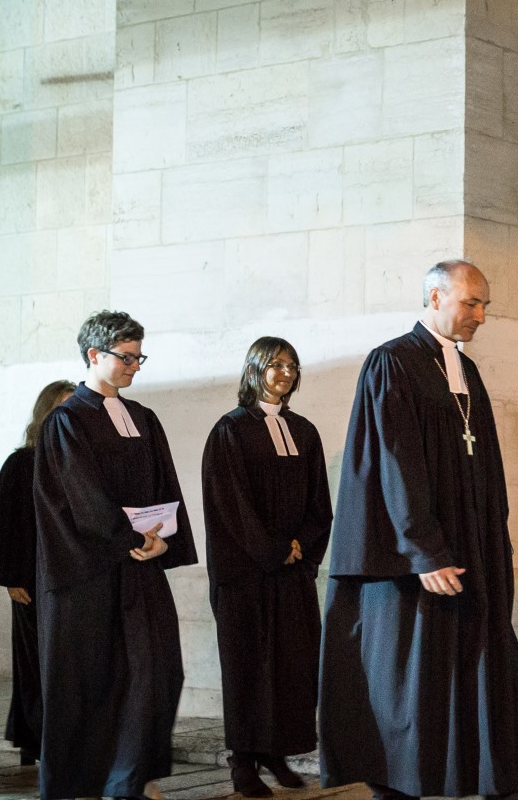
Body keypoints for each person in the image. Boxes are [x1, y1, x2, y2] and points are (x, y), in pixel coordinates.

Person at [319, 259, 518, 799]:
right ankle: (400, 785)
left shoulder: (463, 368)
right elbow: (396, 464)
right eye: (471, 303)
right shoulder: (392, 363)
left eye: (485, 305)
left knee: (461, 671)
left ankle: (460, 778)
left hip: (464, 547)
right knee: (410, 681)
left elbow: (482, 459)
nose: (481, 316)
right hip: (412, 561)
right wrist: (424, 550)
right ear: (434, 298)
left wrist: (492, 538)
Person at [32, 311, 197, 800]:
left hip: (140, 568)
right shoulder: (66, 420)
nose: (135, 367)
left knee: (158, 672)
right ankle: (85, 784)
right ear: (94, 355)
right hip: (87, 574)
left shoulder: (143, 417)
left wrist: (164, 537)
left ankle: (129, 776)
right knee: (91, 683)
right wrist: (128, 538)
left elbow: (165, 483)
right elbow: (81, 496)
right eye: (126, 358)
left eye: (138, 357)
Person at [203, 337, 333, 798]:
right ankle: (243, 762)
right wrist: (276, 548)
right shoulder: (231, 430)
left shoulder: (305, 431)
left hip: (291, 575)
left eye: (292, 366)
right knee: (248, 668)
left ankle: (277, 754)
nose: (284, 373)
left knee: (291, 666)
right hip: (246, 575)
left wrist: (301, 547)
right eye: (275, 365)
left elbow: (321, 502)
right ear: (254, 370)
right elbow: (231, 504)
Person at [0, 379, 76, 766]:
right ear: (45, 414)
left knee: (71, 664)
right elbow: (5, 523)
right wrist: (11, 578)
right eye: (61, 409)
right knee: (34, 662)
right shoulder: (22, 462)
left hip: (75, 578)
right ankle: (34, 742)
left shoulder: (84, 463)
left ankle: (69, 740)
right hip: (32, 579)